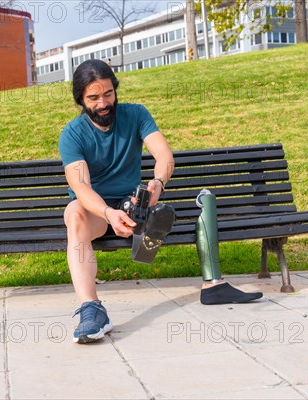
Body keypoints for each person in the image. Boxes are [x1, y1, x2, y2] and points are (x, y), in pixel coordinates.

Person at [58, 59, 262, 345]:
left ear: (115, 90)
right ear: (80, 99)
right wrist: (108, 213)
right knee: (73, 212)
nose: (103, 103)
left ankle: (146, 222)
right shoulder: (73, 134)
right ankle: (91, 310)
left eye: (108, 94)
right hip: (97, 209)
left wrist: (158, 183)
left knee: (143, 204)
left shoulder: (136, 114)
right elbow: (80, 186)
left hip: (132, 202)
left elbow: (164, 157)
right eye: (93, 97)